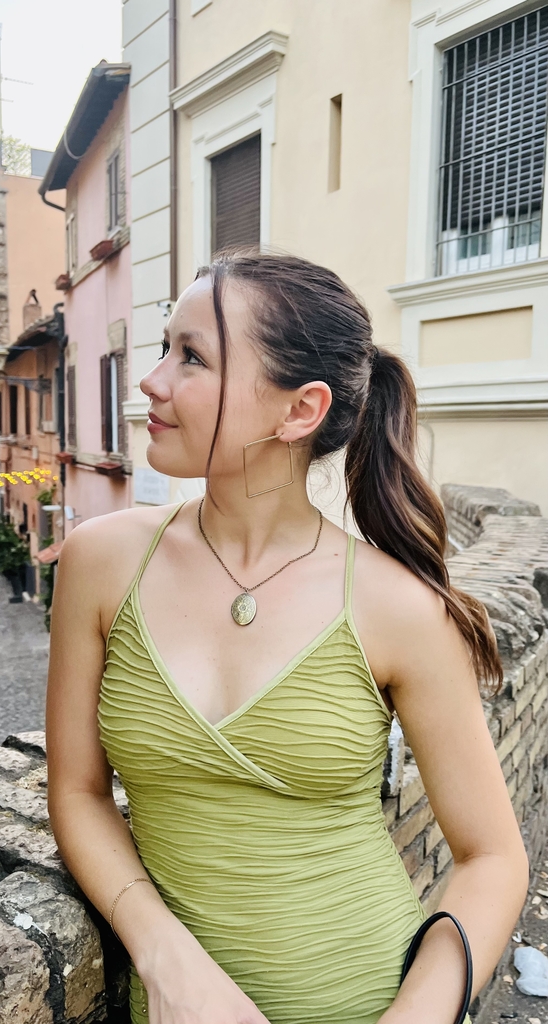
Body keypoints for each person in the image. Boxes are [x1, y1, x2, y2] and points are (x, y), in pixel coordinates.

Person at [46, 252, 528, 1024]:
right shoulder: (101, 563)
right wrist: (166, 959)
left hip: (370, 993)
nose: (153, 381)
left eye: (192, 357)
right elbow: (76, 791)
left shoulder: (398, 607)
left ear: (298, 411)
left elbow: (495, 858)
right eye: (165, 348)